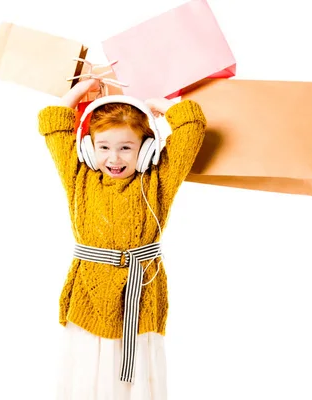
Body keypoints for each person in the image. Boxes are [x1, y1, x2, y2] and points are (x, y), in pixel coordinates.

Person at [37, 77, 207, 399]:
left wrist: (162, 107)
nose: (114, 158)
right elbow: (54, 125)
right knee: (89, 370)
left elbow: (192, 130)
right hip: (89, 294)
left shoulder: (157, 181)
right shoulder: (79, 177)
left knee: (135, 377)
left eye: (126, 148)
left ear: (145, 150)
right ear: (89, 148)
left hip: (140, 296)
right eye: (104, 147)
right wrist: (78, 91)